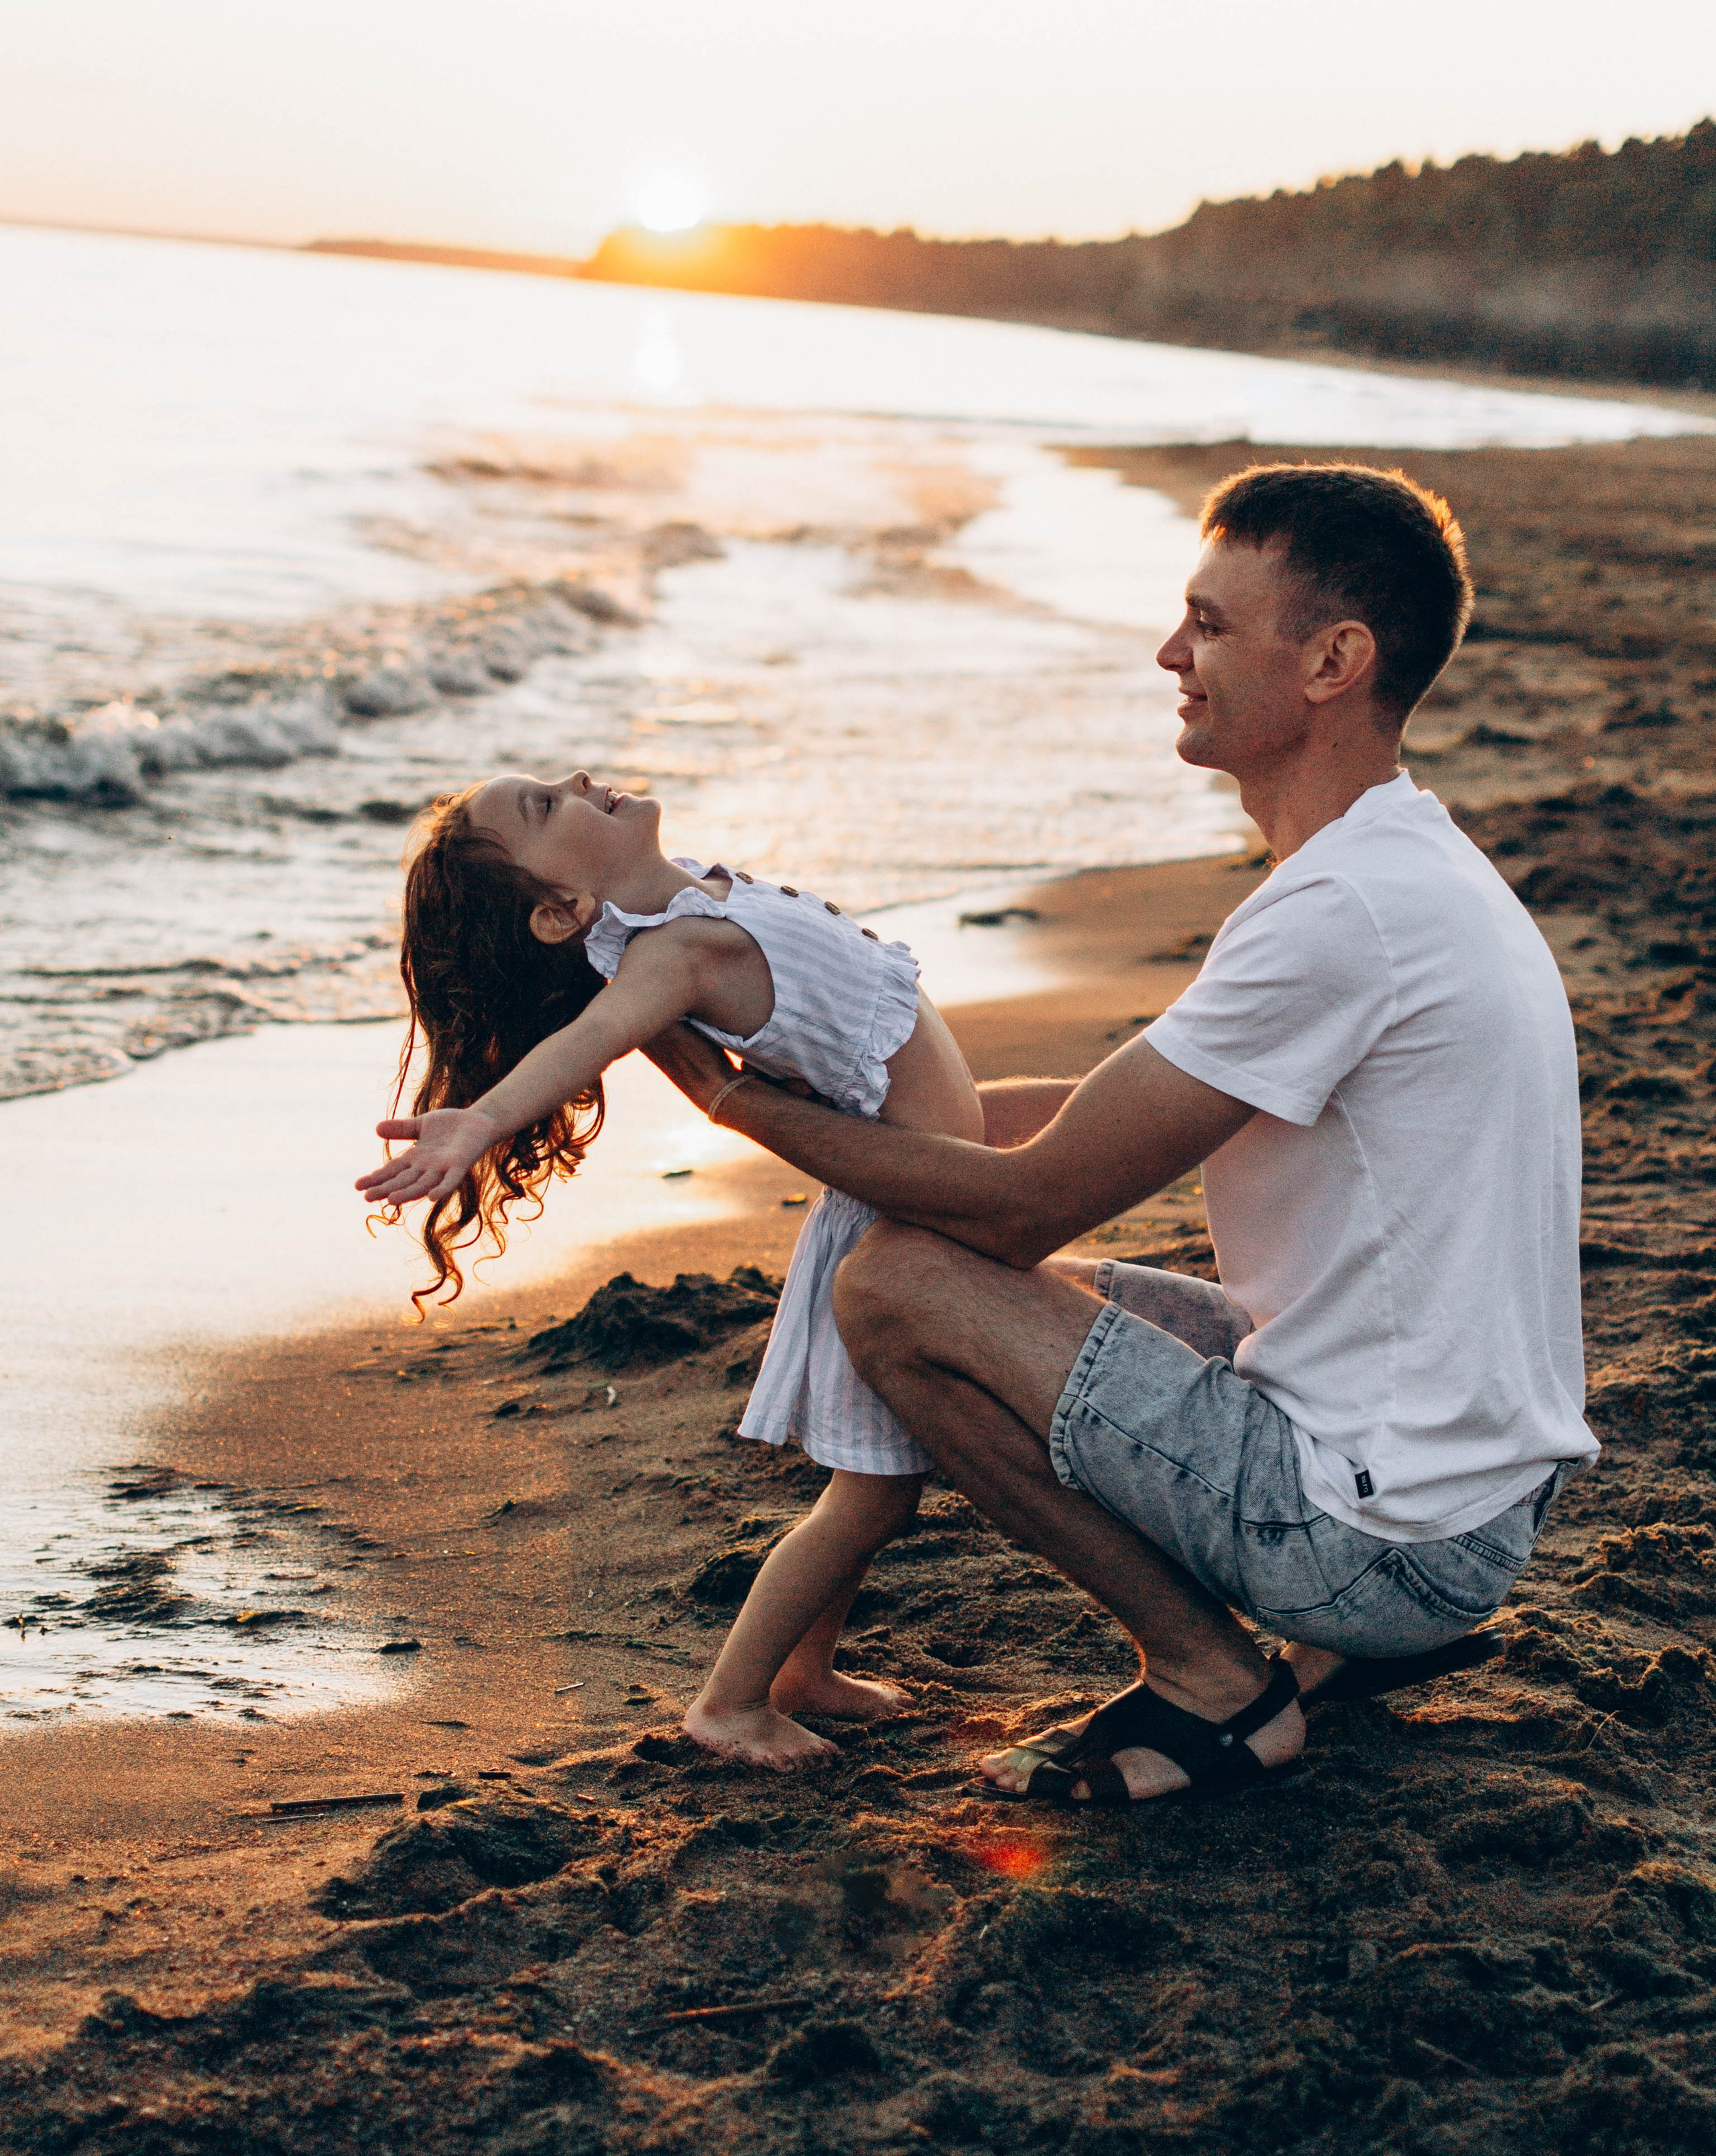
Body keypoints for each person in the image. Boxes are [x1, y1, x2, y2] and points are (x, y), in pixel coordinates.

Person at [648, 463, 1597, 1809]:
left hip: (1384, 1535)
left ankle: (1212, 1684)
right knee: (973, 1268)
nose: (1170, 652)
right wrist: (878, 1109)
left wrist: (732, 1099)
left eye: (1209, 626)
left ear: (1332, 660)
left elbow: (1027, 1204)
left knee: (902, 1289)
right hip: (1448, 1477)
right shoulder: (1392, 866)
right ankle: (1305, 1654)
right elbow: (1097, 1116)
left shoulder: (1340, 912)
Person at [353, 768, 986, 1769]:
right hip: (896, 1218)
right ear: (561, 909)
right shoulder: (675, 956)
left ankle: (805, 1676)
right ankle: (732, 1704)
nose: (574, 779)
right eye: (543, 806)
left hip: (928, 1188)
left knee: (879, 1489)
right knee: (870, 1495)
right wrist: (481, 1119)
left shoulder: (686, 895)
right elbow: (590, 1040)